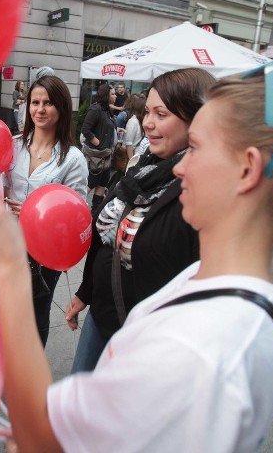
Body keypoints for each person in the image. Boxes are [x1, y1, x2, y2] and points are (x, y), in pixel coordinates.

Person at [0, 50, 273, 452]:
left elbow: (38, 436)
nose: (178, 167)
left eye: (199, 147)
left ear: (247, 168)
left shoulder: (202, 350)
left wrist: (11, 270)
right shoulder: (219, 287)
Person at [66, 68, 215, 374]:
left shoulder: (198, 193)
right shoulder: (143, 166)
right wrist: (86, 291)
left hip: (145, 343)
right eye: (147, 111)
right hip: (101, 316)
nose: (148, 123)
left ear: (197, 119)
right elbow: (107, 237)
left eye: (161, 114)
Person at [0, 75, 87, 347]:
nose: (40, 109)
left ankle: (29, 380)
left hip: (44, 253)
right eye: (35, 102)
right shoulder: (14, 145)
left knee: (34, 318)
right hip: (6, 242)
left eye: (49, 103)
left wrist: (35, 210)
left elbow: (77, 211)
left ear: (62, 108)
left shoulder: (72, 158)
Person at [81, 83, 117, 213]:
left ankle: (94, 216)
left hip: (106, 155)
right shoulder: (96, 109)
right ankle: (75, 209)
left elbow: (106, 127)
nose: (116, 96)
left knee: (102, 185)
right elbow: (85, 129)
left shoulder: (107, 110)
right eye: (113, 94)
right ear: (106, 95)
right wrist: (97, 142)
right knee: (90, 184)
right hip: (96, 156)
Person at [122, 93, 146, 161]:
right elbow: (129, 144)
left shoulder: (139, 120)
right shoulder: (133, 121)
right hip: (131, 157)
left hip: (136, 156)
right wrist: (131, 162)